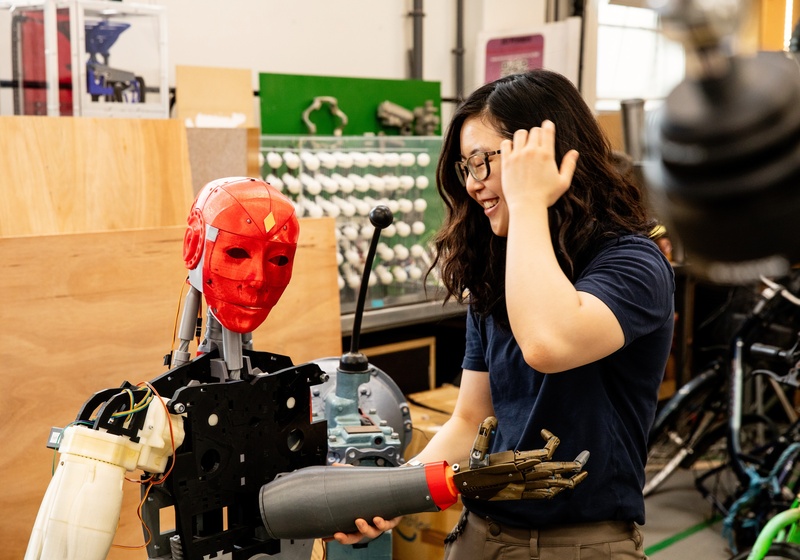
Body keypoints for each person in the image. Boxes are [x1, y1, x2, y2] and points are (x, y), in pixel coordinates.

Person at [333, 69, 675, 559]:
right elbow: (473, 418)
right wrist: (392, 493)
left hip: (581, 545)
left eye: (482, 162)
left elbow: (547, 344)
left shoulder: (632, 263)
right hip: (481, 536)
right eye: (464, 169)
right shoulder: (496, 270)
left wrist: (529, 199)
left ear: (542, 153)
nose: (473, 185)